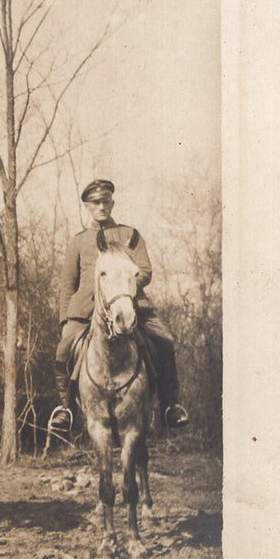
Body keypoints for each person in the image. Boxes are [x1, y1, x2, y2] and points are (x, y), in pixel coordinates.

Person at [48, 179, 190, 435]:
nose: (101, 206)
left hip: (129, 305)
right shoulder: (78, 241)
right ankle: (65, 408)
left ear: (112, 203)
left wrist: (122, 288)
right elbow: (67, 284)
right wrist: (65, 321)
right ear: (87, 206)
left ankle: (170, 405)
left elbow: (145, 270)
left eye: (105, 201)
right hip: (85, 311)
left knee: (164, 342)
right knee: (62, 351)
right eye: (95, 202)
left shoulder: (130, 236)